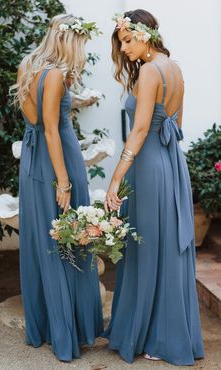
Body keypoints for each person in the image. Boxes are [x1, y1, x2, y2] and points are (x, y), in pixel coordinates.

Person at [103, 9, 205, 366]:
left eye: (128, 41)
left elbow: (141, 129)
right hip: (172, 164)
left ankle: (153, 336)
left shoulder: (149, 71)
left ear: (144, 35)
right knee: (164, 247)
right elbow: (177, 124)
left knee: (148, 248)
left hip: (148, 166)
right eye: (121, 43)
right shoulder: (174, 67)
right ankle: (164, 333)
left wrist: (115, 177)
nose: (125, 49)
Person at [11, 14, 103, 361]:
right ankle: (69, 334)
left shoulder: (28, 66)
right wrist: (63, 182)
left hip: (34, 162)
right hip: (58, 160)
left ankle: (48, 328)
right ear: (71, 42)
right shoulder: (56, 75)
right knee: (67, 242)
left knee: (44, 242)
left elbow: (33, 122)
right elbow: (51, 129)